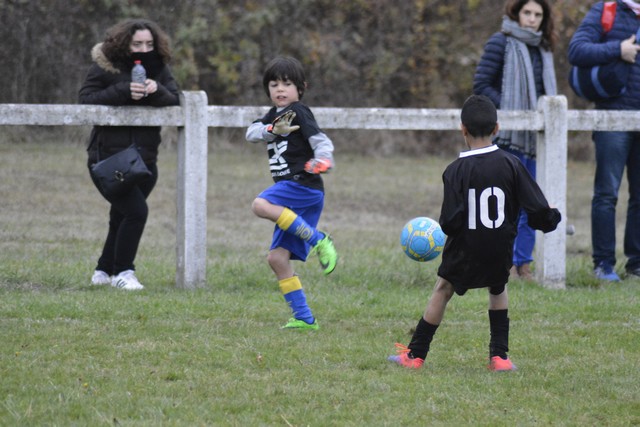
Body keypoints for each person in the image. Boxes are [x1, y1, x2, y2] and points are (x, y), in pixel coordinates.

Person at [388, 95, 561, 371]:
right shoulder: (512, 164)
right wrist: (551, 217)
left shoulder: (455, 171)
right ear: (497, 129)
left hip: (464, 250)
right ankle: (500, 358)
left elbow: (450, 222)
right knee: (498, 287)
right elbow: (537, 207)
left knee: (443, 289)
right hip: (499, 248)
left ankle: (415, 355)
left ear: (463, 129)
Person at [79, 19, 180, 290]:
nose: (144, 49)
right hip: (107, 160)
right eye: (137, 44)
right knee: (136, 212)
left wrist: (157, 90)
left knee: (121, 216)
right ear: (124, 43)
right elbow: (85, 101)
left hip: (146, 161)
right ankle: (124, 272)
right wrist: (123, 90)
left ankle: (103, 271)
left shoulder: (160, 68)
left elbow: (175, 99)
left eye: (149, 44)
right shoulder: (104, 66)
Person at [246, 56, 338, 330]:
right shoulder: (273, 116)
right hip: (295, 193)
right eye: (274, 84)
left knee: (260, 205)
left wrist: (323, 160)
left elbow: (321, 140)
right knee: (277, 258)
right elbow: (251, 133)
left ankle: (318, 239)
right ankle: (304, 318)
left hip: (303, 186)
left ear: (301, 87)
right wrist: (272, 130)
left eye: (286, 84)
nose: (280, 89)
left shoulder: (299, 111)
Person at [473, 0, 557, 281]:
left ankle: (524, 264)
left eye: (538, 14)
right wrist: (512, 108)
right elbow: (481, 86)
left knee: (532, 202)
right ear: (516, 13)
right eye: (527, 12)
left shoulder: (543, 48)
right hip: (507, 138)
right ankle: (504, 262)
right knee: (505, 204)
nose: (532, 19)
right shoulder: (500, 42)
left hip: (535, 140)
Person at [568, 1, 640, 282]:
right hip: (613, 118)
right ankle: (603, 265)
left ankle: (636, 266)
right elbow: (577, 50)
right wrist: (617, 49)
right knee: (607, 193)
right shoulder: (606, 10)